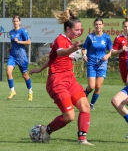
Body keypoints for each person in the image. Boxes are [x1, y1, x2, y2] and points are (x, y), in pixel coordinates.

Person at [29, 9, 94, 146]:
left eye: (80, 29)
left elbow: (52, 59)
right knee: (69, 116)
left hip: (70, 79)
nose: (79, 32)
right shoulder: (61, 40)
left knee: (85, 106)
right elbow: (60, 53)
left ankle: (82, 140)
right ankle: (46, 130)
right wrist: (73, 49)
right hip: (57, 82)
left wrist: (39, 69)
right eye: (77, 30)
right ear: (68, 29)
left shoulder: (69, 41)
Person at [81, 17, 112, 110]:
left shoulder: (106, 37)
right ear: (94, 25)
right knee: (91, 86)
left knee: (98, 86)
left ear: (103, 25)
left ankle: (91, 105)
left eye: (100, 24)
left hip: (102, 64)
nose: (98, 26)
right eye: (96, 24)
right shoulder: (90, 37)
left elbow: (111, 50)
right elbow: (83, 49)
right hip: (91, 63)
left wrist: (107, 55)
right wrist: (84, 55)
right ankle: (83, 96)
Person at [111, 17, 128, 113]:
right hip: (123, 63)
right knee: (126, 82)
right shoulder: (119, 38)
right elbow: (113, 52)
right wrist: (121, 50)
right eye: (125, 26)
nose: (127, 28)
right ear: (122, 27)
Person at [6, 15, 33, 101]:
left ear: (19, 22)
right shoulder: (11, 32)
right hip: (13, 55)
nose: (15, 23)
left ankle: (30, 92)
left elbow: (29, 42)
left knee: (25, 75)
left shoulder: (23, 31)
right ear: (12, 22)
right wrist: (10, 48)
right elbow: (13, 43)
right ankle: (12, 91)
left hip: (21, 56)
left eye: (17, 21)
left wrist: (19, 41)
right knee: (8, 71)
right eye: (14, 21)